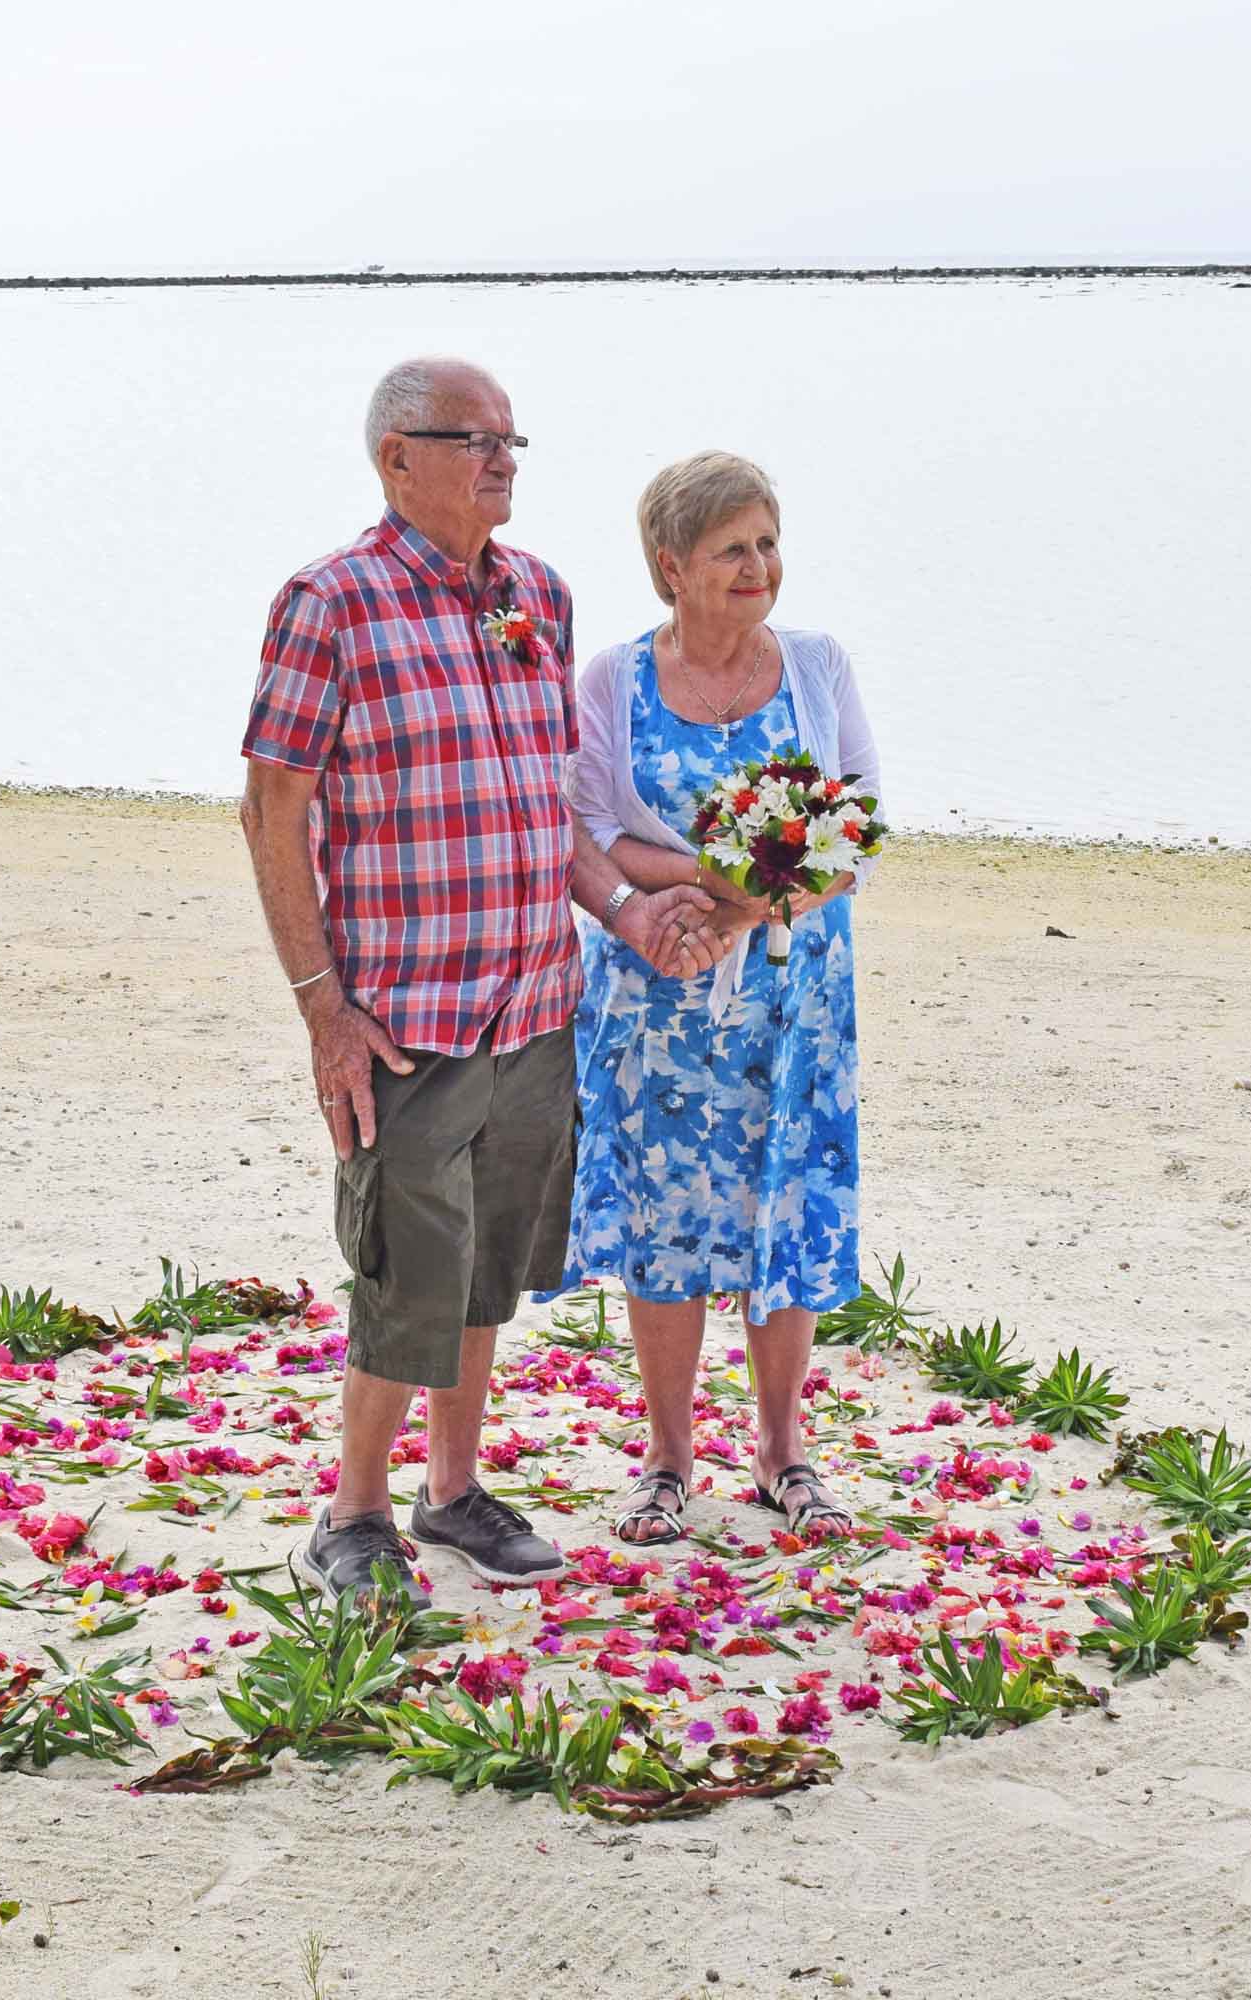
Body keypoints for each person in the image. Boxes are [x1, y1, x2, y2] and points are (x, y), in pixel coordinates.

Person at [240, 357, 728, 1607]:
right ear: (397, 458)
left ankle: (451, 1490)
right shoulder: (331, 602)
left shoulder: (537, 596)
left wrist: (623, 909)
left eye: (513, 439)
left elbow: (546, 805)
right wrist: (321, 1005)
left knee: (489, 1265)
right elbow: (271, 810)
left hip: (536, 1004)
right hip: (406, 1018)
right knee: (405, 1270)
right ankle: (352, 1514)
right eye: (475, 439)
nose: (503, 459)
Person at [555, 450, 880, 1548]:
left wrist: (741, 912)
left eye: (768, 543)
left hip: (793, 997)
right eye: (732, 548)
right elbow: (595, 828)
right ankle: (666, 1457)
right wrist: (693, 893)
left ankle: (784, 1451)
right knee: (666, 1218)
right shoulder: (612, 680)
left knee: (783, 1204)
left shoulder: (818, 666)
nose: (759, 567)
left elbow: (857, 829)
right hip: (659, 986)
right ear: (670, 566)